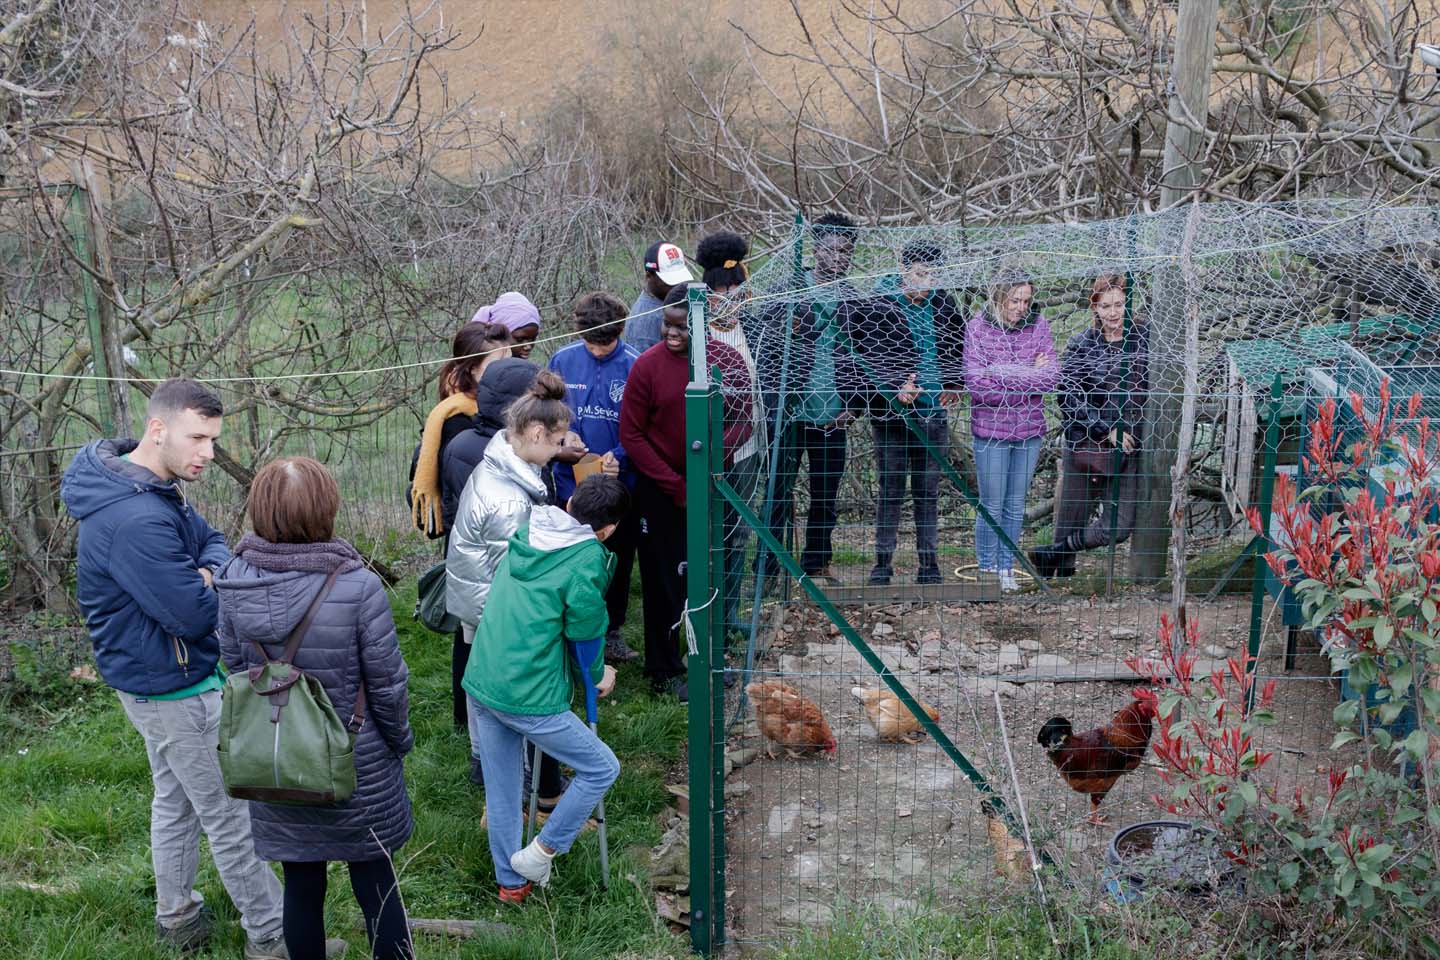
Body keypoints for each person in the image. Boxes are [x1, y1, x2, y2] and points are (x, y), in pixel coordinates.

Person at [59, 379, 301, 959]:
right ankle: (271, 937)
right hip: (172, 686)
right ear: (158, 428)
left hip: (154, 678)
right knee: (229, 815)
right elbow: (194, 615)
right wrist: (207, 579)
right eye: (197, 438)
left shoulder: (150, 487)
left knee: (176, 800)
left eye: (213, 440)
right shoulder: (136, 518)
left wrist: (205, 570)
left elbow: (214, 541)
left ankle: (177, 917)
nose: (208, 453)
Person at [216, 457, 413, 960]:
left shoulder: (232, 582)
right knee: (376, 880)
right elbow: (388, 684)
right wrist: (399, 743)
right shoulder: (358, 586)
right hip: (355, 759)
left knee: (301, 884)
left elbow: (236, 668)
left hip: (278, 760)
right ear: (326, 510)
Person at [463, 475, 630, 902]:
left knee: (503, 790)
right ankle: (542, 852)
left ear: (570, 502)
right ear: (608, 530)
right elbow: (586, 631)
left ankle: (512, 885)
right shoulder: (586, 558)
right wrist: (596, 676)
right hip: (527, 692)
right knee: (602, 768)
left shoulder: (528, 529)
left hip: (483, 677)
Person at [447, 371, 573, 814]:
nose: (559, 450)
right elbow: (516, 576)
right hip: (496, 613)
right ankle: (518, 804)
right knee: (518, 705)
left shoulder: (502, 461)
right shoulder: (510, 502)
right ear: (536, 432)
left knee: (492, 704)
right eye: (557, 441)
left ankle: (514, 791)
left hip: (479, 602)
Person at [620, 284, 752, 701]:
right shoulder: (647, 366)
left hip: (711, 482)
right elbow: (632, 433)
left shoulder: (726, 361)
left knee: (707, 572)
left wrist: (709, 462)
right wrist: (675, 482)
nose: (672, 334)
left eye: (682, 327)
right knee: (662, 579)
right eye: (667, 325)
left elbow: (743, 419)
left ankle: (708, 657)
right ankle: (664, 668)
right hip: (662, 489)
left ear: (702, 324)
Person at [754, 213, 871, 587]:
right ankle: (767, 568)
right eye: (831, 249)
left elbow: (868, 357)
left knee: (825, 497)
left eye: (846, 250)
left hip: (833, 416)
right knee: (777, 491)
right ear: (816, 249)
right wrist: (775, 402)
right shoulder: (789, 290)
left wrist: (854, 406)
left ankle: (816, 564)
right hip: (789, 414)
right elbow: (764, 348)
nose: (838, 257)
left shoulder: (855, 300)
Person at [439, 357, 546, 735]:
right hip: (489, 574)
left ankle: (467, 722)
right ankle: (487, 736)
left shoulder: (469, 441)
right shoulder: (496, 456)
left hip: (471, 568)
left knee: (469, 647)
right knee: (484, 657)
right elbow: (504, 530)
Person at [1030, 272, 1149, 578]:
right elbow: (1068, 396)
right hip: (1086, 443)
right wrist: (1105, 429)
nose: (1113, 312)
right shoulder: (1081, 344)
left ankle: (1058, 550)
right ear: (1094, 307)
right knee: (1070, 515)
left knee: (1119, 526)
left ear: (1129, 303)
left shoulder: (1145, 340)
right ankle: (1056, 579)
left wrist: (1128, 432)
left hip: (1131, 449)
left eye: (1119, 304)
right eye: (1106, 305)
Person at [547, 292, 643, 663]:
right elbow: (547, 412)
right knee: (569, 559)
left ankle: (612, 630)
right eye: (591, 344)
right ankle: (565, 631)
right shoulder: (562, 360)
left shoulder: (635, 364)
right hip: (569, 483)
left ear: (620, 332)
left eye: (606, 343)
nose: (598, 351)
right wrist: (563, 438)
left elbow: (642, 426)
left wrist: (620, 456)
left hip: (618, 486)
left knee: (615, 560)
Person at [868, 238, 967, 586]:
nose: (928, 282)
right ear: (903, 270)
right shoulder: (880, 304)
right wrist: (895, 386)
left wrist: (955, 382)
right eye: (921, 274)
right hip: (892, 414)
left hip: (932, 413)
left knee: (927, 491)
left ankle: (929, 564)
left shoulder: (943, 303)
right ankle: (882, 564)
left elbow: (957, 342)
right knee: (891, 490)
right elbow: (868, 354)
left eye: (934, 275)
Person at [964, 268, 1059, 591]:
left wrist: (1001, 373)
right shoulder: (977, 328)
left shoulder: (1039, 325)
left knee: (1015, 505)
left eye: (1026, 301)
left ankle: (1006, 568)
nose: (1021, 307)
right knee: (992, 503)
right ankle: (987, 569)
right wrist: (1028, 374)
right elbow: (978, 386)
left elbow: (1050, 377)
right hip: (990, 431)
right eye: (1015, 300)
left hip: (1030, 430)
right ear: (999, 297)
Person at [693, 231, 767, 634]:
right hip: (710, 449)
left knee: (740, 532)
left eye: (738, 288)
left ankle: (730, 612)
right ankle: (702, 612)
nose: (732, 296)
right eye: (724, 289)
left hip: (749, 448)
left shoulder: (753, 329)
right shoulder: (697, 334)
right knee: (708, 532)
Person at [409, 320, 513, 539]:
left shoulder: (501, 404)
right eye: (497, 365)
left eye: (510, 363)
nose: (506, 371)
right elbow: (458, 494)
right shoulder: (456, 418)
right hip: (471, 534)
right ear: (472, 368)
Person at [629, 240, 693, 353]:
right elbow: (644, 363)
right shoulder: (646, 323)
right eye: (670, 282)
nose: (678, 286)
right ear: (649, 277)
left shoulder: (673, 302)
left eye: (680, 279)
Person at [478, 291, 543, 360]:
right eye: (520, 339)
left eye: (533, 339)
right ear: (500, 335)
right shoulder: (480, 365)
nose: (528, 347)